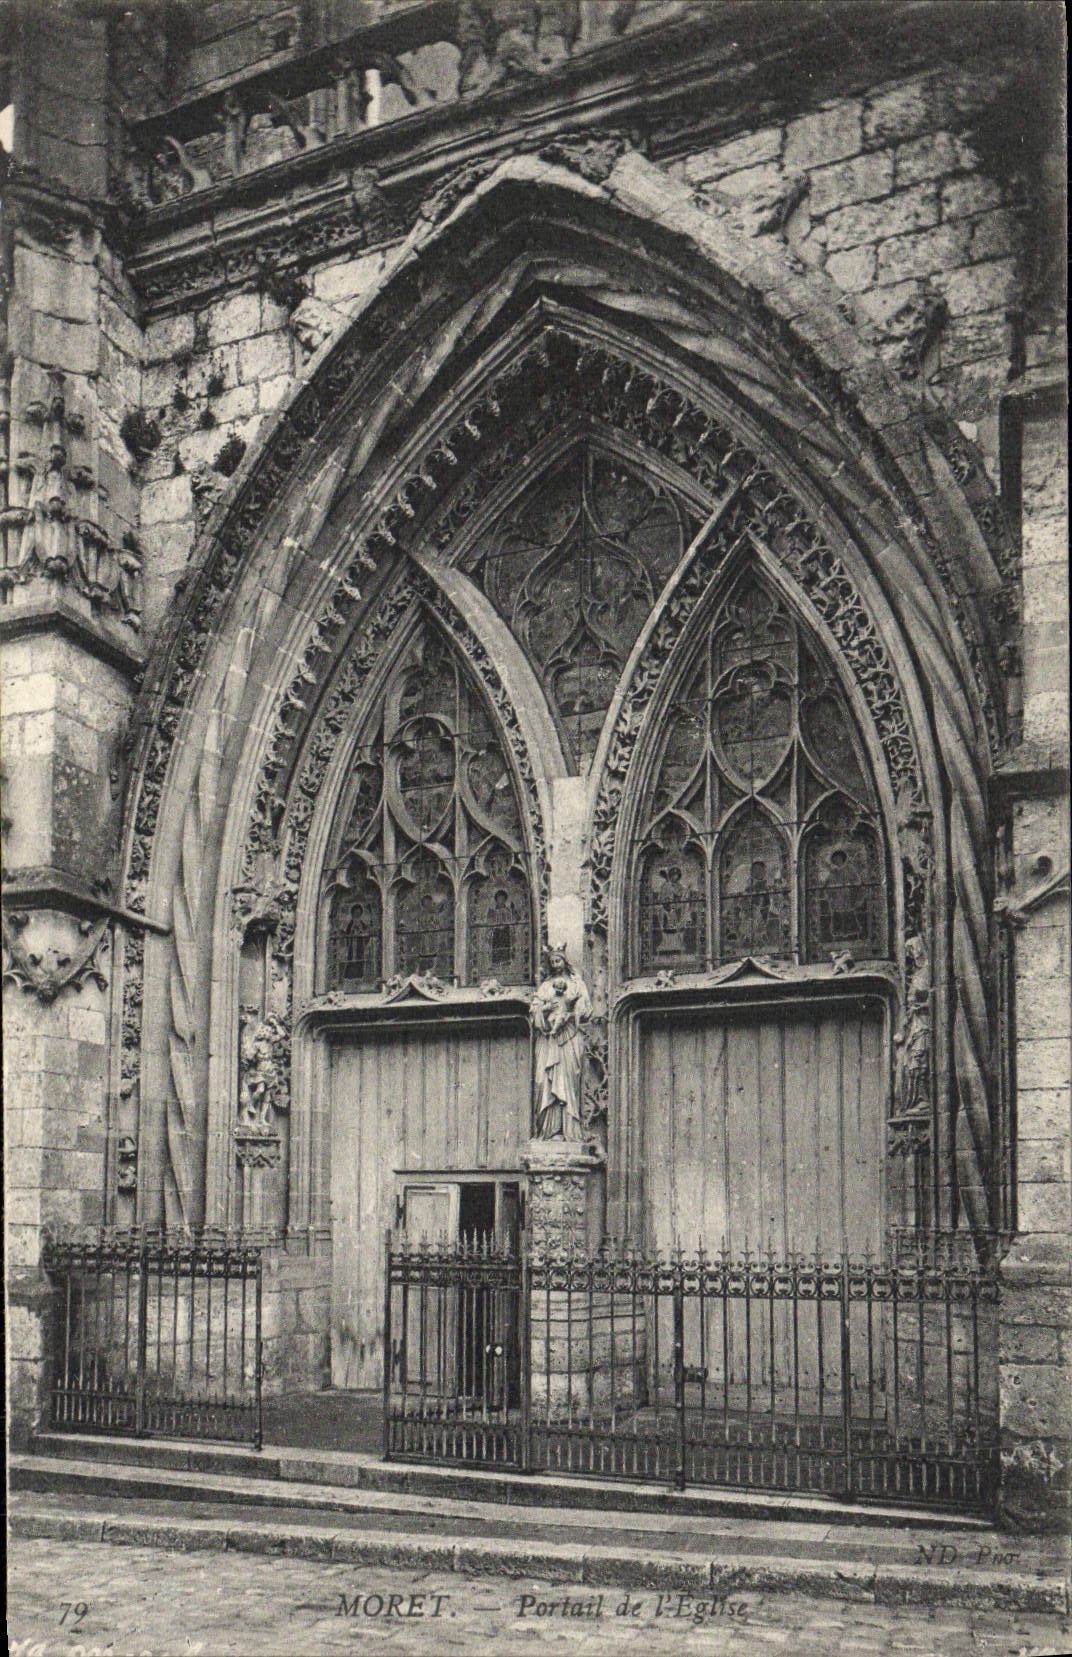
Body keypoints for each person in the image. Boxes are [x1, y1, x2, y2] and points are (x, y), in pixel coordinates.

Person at [530, 948, 591, 1141]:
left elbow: (586, 1008)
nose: (556, 965)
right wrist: (544, 1009)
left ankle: (570, 1132)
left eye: (559, 961)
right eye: (553, 962)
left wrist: (572, 1013)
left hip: (569, 1037)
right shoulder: (545, 986)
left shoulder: (576, 983)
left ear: (565, 961)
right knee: (543, 1081)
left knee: (569, 1080)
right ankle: (548, 1132)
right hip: (548, 1039)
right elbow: (535, 1009)